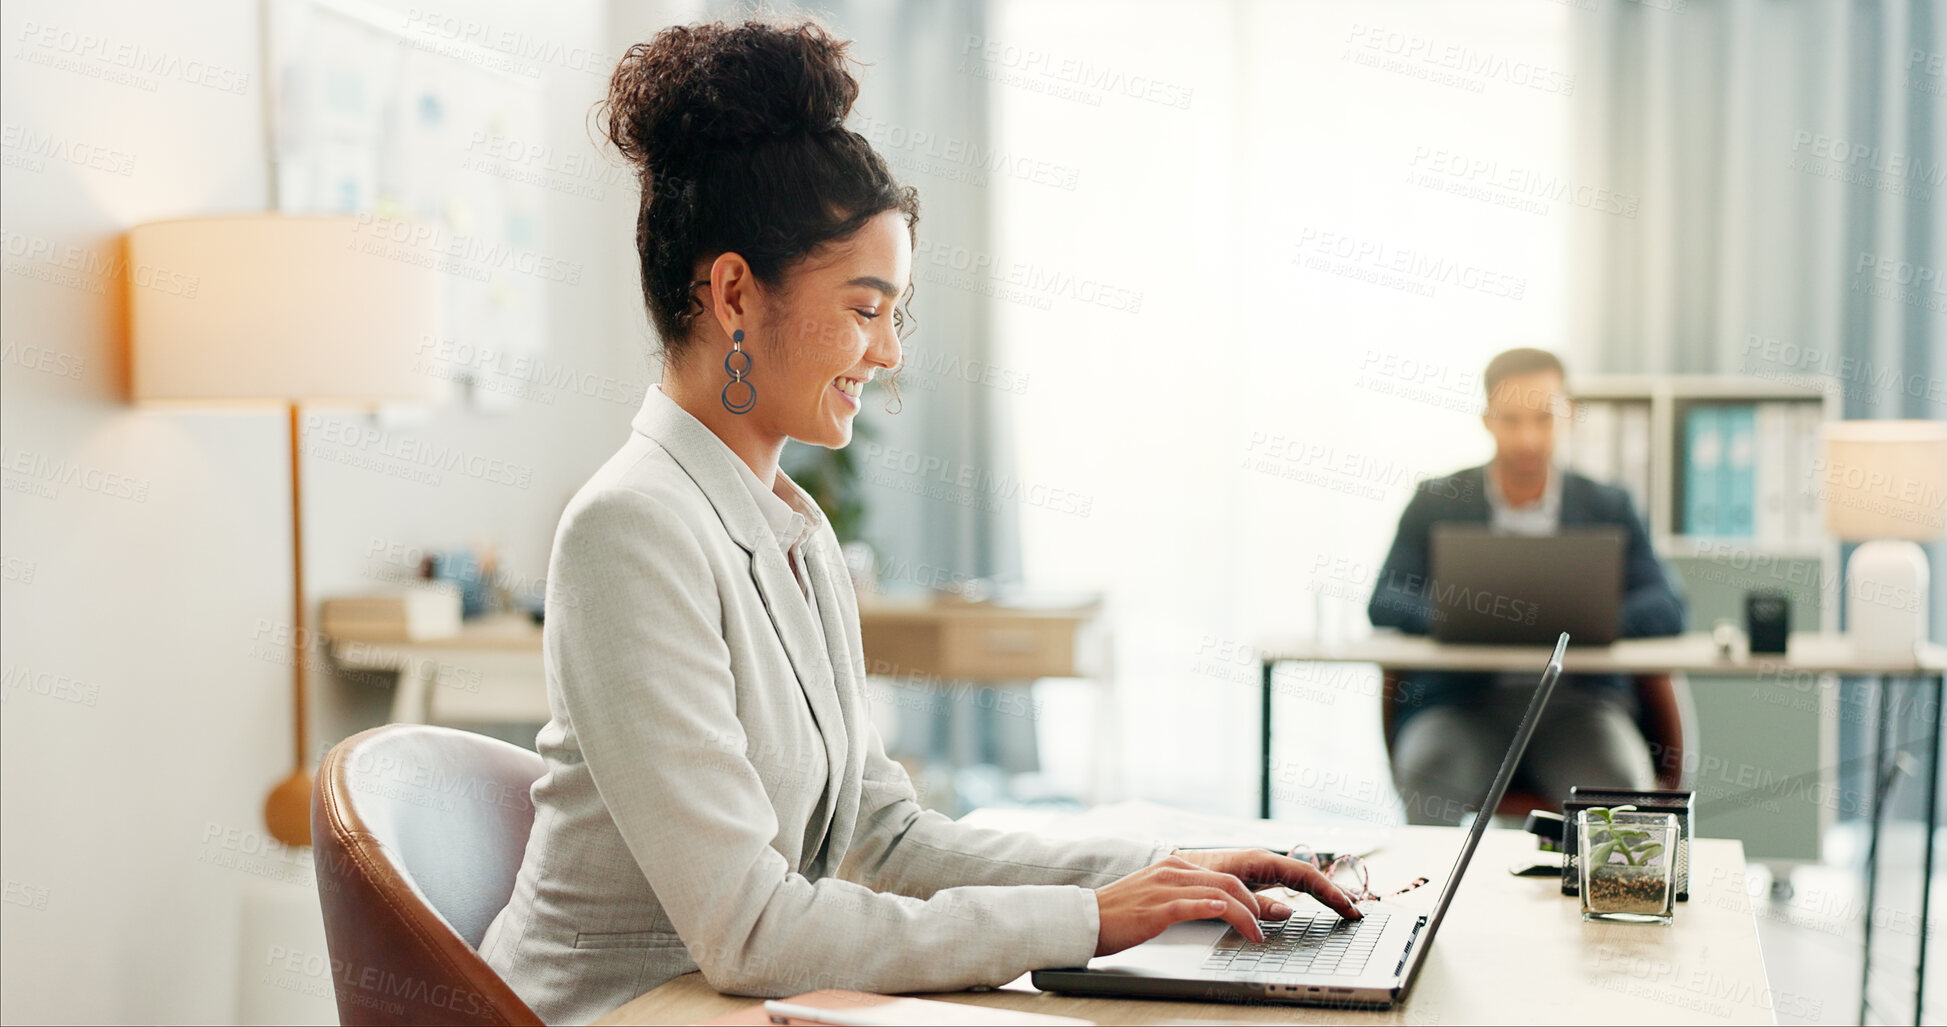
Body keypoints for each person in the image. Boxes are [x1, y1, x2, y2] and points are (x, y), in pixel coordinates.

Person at [479, 18, 1357, 1024]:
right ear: (731, 292)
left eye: (895, 314)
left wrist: (1163, 871)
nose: (889, 352)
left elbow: (885, 837)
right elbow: (753, 929)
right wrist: (1085, 919)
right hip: (618, 1011)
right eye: (864, 309)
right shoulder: (628, 530)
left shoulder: (797, 533)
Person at [1366, 348, 1686, 826]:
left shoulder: (1608, 505)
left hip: (1579, 707)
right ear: (1487, 420)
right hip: (1463, 705)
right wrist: (1462, 614)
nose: (1528, 437)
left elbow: (1668, 605)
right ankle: (1432, 901)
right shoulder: (1436, 501)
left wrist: (1592, 619)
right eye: (1511, 420)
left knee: (1618, 788)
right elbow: (1385, 598)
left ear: (1570, 415)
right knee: (1428, 770)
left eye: (1543, 418)